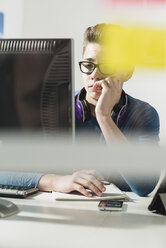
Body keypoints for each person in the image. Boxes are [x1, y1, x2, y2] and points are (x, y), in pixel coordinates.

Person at [0, 23, 160, 197]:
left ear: (127, 72)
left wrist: (104, 117)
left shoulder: (144, 114)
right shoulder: (53, 109)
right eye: (88, 65)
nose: (94, 75)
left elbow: (144, 186)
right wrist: (56, 181)